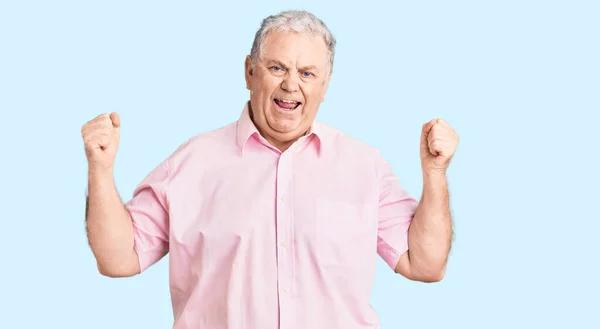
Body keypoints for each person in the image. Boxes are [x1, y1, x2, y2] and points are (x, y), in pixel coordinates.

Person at [81, 10, 459, 329]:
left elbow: (424, 264)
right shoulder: (191, 162)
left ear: (325, 85)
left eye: (307, 73)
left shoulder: (364, 165)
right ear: (249, 73)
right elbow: (119, 258)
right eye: (276, 67)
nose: (290, 85)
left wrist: (434, 173)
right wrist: (100, 169)